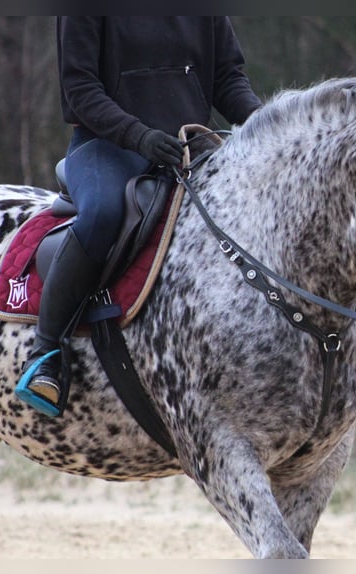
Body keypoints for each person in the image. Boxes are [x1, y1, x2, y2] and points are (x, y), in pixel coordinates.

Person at [15, 16, 262, 417]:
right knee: (102, 215)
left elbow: (228, 80)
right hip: (106, 145)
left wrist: (269, 124)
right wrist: (139, 136)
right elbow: (80, 89)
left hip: (188, 147)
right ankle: (46, 354)